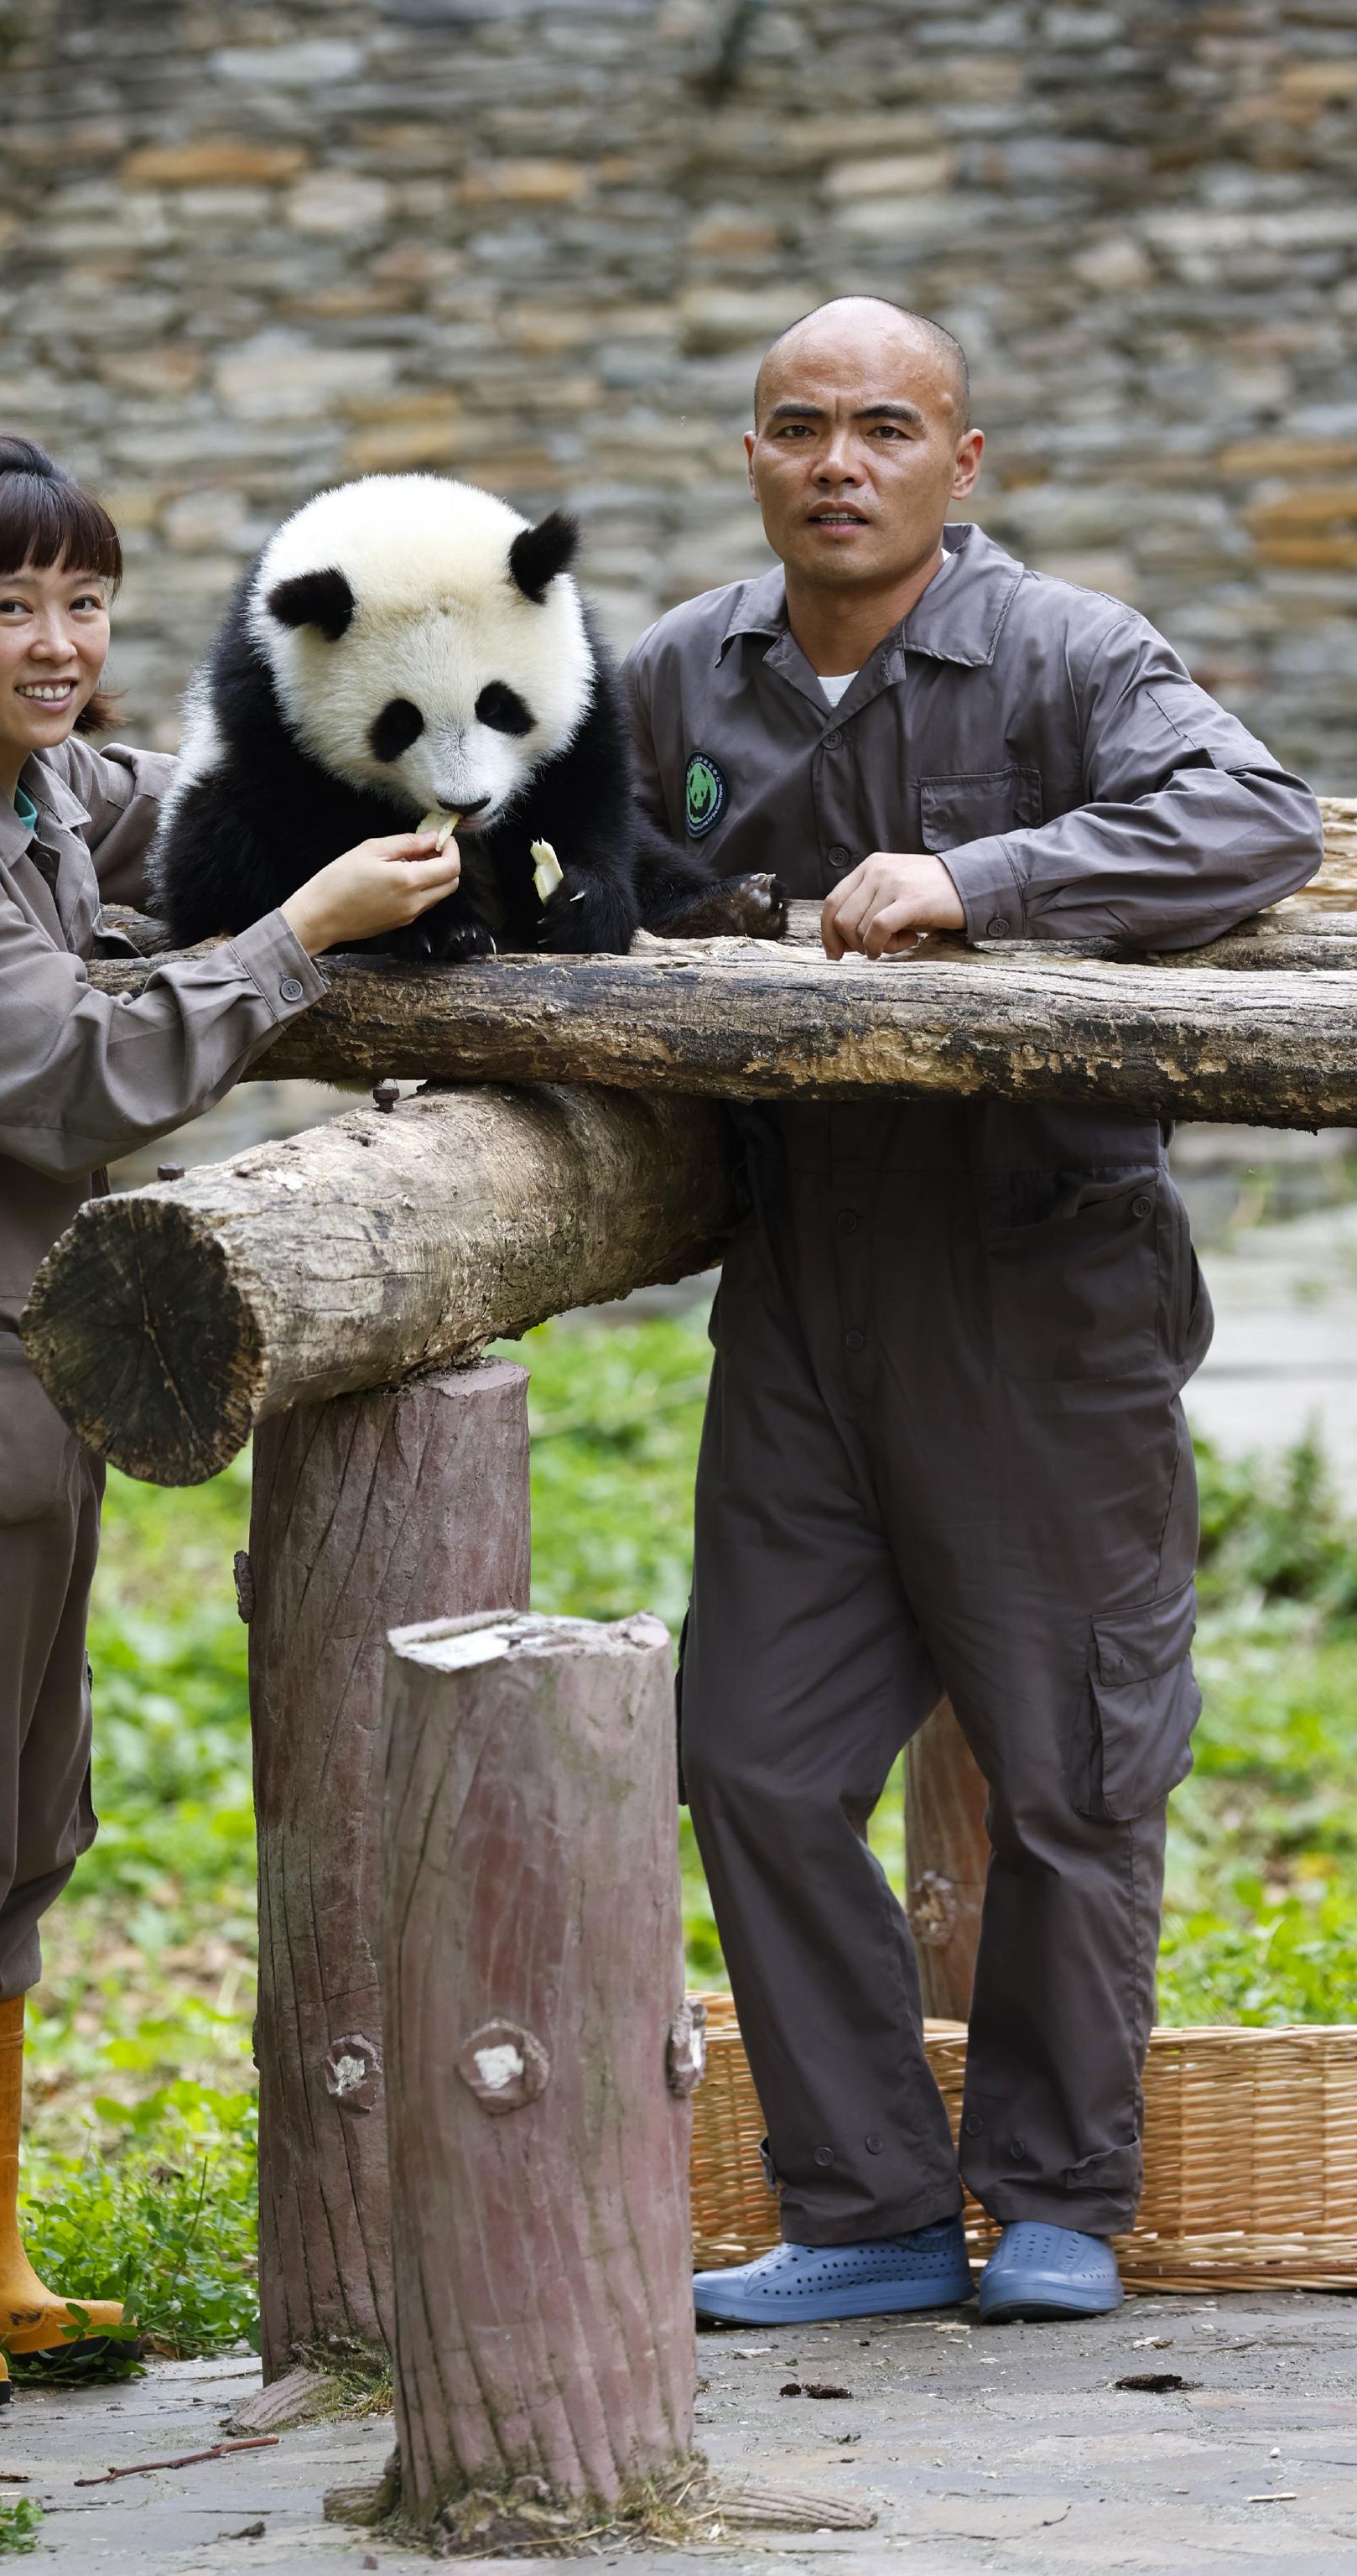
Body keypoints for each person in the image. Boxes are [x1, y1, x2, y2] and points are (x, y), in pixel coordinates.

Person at [0, 434, 460, 2415]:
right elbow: (66, 1075)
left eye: (84, 603)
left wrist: (423, 724)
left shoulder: (36, 795)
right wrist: (296, 935)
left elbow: (206, 809)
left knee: (14, 1816)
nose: (58, 644)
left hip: (9, 1372)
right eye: (9, 606)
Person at [624, 299, 1322, 2328]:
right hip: (801, 1300)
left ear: (962, 460)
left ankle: (1052, 2199)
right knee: (750, 1758)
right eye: (796, 428)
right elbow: (579, 866)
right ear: (749, 456)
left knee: (1072, 1768)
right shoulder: (681, 671)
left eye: (882, 428)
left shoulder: (1069, 654)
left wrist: (981, 876)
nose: (837, 462)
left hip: (1044, 1289)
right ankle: (854, 2208)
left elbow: (1252, 815)